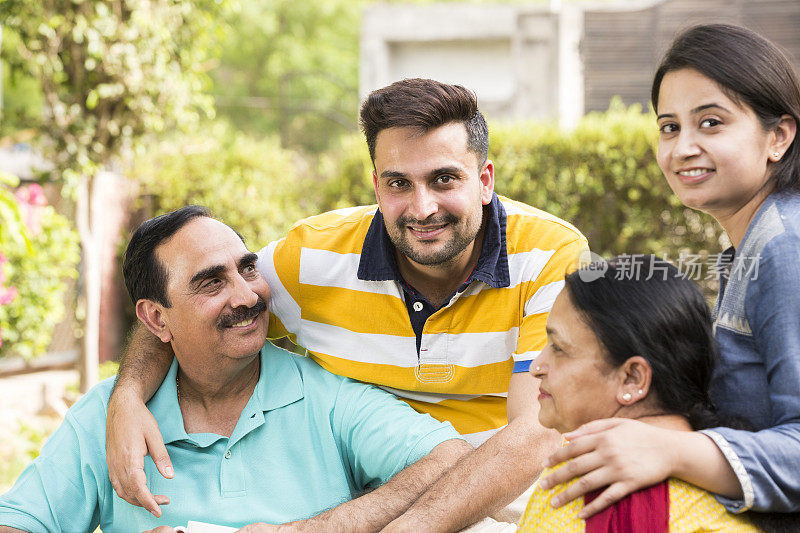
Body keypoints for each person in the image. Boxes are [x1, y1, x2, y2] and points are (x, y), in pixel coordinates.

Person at [105, 78, 588, 530]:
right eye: (399, 184)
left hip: (511, 509)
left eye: (444, 179)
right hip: (369, 503)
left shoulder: (550, 256)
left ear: (484, 181)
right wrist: (125, 397)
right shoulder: (313, 258)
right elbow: (194, 312)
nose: (422, 208)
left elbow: (538, 431)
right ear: (377, 185)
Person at [0, 206, 470, 532]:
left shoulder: (327, 396)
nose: (247, 296)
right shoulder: (106, 416)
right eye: (211, 283)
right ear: (157, 319)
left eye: (247, 269)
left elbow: (450, 459)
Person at [538, 23, 800, 518]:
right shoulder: (753, 243)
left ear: (778, 136)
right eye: (669, 127)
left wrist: (670, 450)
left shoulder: (786, 248)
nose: (682, 148)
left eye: (711, 123)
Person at [516, 256, 758, 532]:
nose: (536, 367)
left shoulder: (577, 491)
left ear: (632, 379)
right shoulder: (736, 498)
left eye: (558, 348)